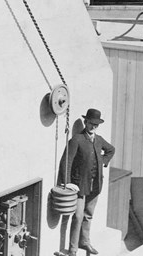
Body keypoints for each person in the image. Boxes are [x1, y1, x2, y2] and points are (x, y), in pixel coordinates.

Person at [59, 108, 116, 256]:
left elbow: (111, 150)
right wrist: (67, 183)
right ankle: (72, 250)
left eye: (96, 124)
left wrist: (102, 161)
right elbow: (66, 162)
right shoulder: (77, 140)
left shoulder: (99, 140)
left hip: (95, 185)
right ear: (85, 122)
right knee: (77, 217)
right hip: (79, 186)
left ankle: (84, 242)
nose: (94, 127)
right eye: (91, 124)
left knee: (88, 215)